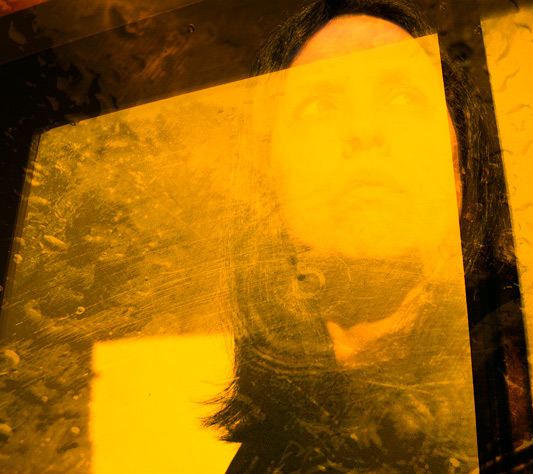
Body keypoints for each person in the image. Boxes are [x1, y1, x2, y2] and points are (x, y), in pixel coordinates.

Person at [205, 1, 513, 473]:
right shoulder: (264, 464)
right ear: (268, 183)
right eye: (319, 106)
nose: (364, 130)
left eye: (403, 98)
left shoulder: (531, 401)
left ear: (463, 168)